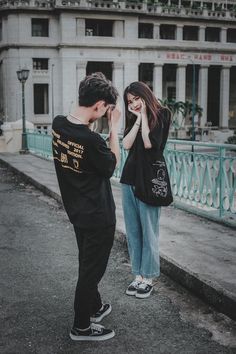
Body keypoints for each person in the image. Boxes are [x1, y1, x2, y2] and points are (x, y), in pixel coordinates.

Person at [52, 72, 121, 341]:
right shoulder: (92, 142)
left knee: (86, 262)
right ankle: (81, 326)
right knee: (90, 272)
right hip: (98, 216)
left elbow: (80, 137)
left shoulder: (59, 124)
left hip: (77, 211)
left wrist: (94, 117)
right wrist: (113, 128)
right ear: (100, 105)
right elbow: (112, 164)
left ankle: (95, 306)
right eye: (105, 109)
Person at [120, 81, 172, 299]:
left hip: (149, 180)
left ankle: (148, 277)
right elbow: (126, 144)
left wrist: (142, 118)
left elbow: (150, 143)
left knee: (149, 230)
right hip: (129, 178)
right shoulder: (133, 117)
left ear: (145, 95)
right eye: (130, 101)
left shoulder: (163, 114)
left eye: (136, 99)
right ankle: (138, 275)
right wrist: (136, 119)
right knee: (133, 231)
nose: (133, 104)